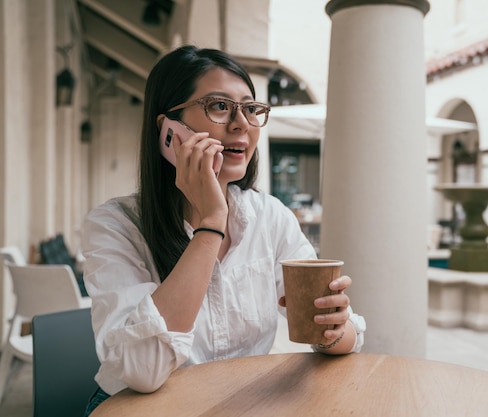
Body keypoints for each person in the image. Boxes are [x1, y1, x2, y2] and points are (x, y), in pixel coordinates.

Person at [81, 45, 366, 415]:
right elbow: (142, 371)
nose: (241, 124)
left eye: (250, 109)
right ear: (168, 130)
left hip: (238, 404)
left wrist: (333, 327)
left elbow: (345, 337)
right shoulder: (116, 225)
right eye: (219, 106)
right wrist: (211, 222)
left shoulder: (271, 217)